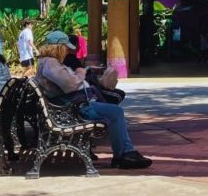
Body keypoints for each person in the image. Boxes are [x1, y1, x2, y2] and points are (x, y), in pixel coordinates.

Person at [34, 31, 152, 169]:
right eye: (65, 47)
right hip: (73, 108)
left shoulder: (47, 62)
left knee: (113, 113)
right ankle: (123, 154)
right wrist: (81, 73)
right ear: (58, 47)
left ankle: (125, 153)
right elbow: (70, 84)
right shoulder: (50, 63)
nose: (67, 51)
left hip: (69, 105)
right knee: (116, 112)